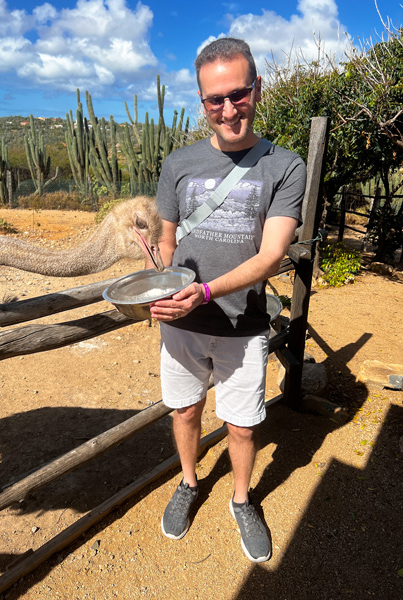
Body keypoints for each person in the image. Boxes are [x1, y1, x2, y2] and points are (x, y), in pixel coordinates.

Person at [149, 37, 306, 563]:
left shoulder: (285, 166)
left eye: (238, 94)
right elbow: (167, 239)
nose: (228, 108)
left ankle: (241, 498)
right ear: (202, 102)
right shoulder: (179, 163)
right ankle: (190, 484)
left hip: (244, 325)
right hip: (183, 323)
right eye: (215, 99)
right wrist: (165, 282)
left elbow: (271, 256)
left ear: (257, 89)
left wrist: (206, 291)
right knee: (186, 411)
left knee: (241, 423)